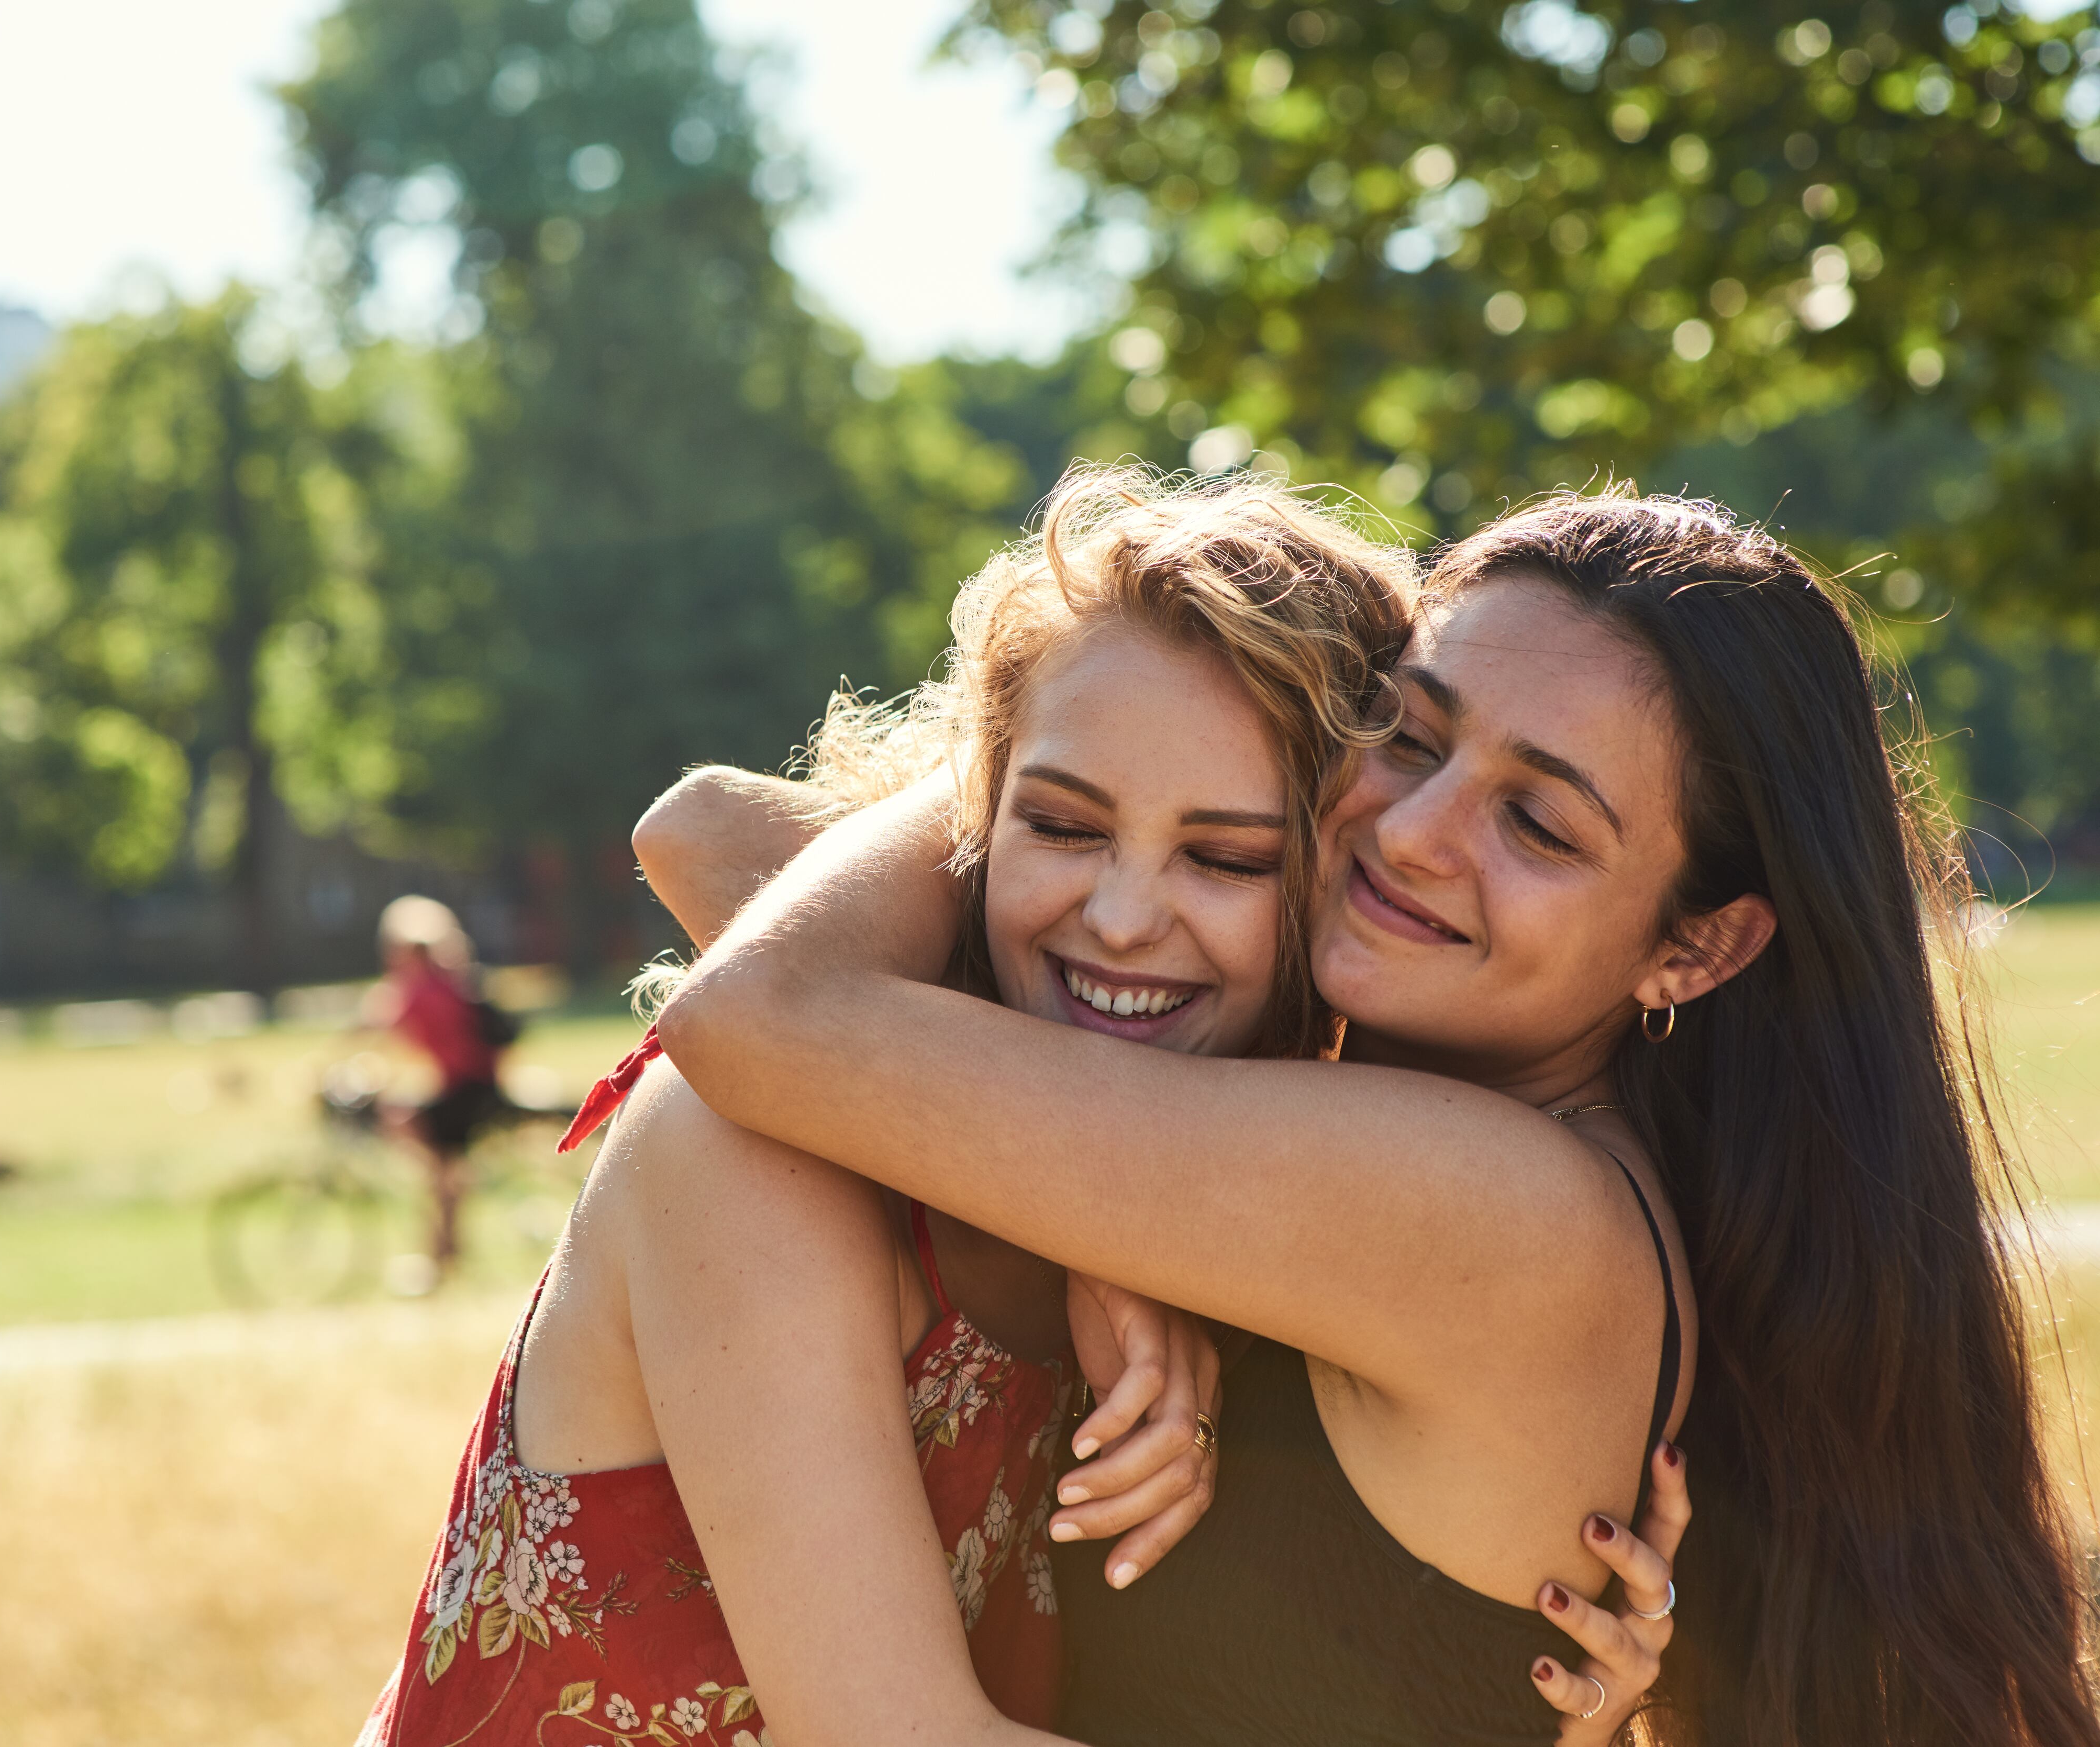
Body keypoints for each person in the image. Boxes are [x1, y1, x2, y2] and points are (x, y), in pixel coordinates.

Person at [652, 488, 2097, 1745]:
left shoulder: (1492, 1210)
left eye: (1537, 823)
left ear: (1695, 949)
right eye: (1411, 735)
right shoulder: (1393, 1131)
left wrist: (1062, 686)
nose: (1413, 830)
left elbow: (763, 1014)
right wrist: (1104, 1223)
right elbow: (710, 832)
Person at [360, 472, 1681, 1747]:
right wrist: (1041, 699)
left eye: (1225, 855)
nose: (1119, 917)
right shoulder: (750, 1143)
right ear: (981, 822)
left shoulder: (1214, 1198)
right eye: (1058, 821)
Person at [362, 895, 509, 1274]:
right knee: (442, 1173)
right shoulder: (453, 980)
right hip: (475, 1087)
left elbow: (380, 1027)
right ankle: (446, 1245)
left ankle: (442, 1244)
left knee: (416, 1142)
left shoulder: (421, 989)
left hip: (463, 1091)